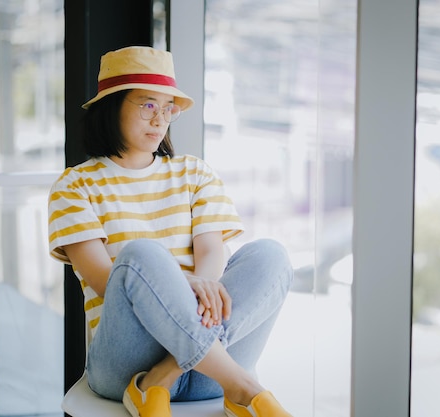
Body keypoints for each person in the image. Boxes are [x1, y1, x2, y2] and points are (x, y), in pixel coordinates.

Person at [48, 46, 294, 417]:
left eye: (168, 108)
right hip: (125, 369)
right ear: (111, 105)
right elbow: (104, 280)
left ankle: (162, 379)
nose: (160, 119)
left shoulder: (195, 173)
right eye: (148, 105)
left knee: (271, 255)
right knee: (141, 256)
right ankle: (245, 389)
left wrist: (201, 284)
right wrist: (187, 285)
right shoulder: (74, 185)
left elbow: (212, 253)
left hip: (208, 372)